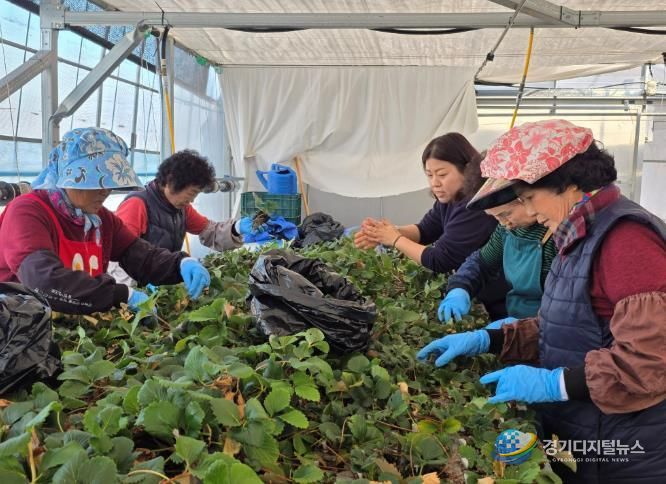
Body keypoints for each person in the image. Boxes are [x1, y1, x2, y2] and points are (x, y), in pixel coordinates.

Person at [418, 120, 666, 483]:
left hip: (627, 448)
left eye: (529, 198)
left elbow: (649, 361)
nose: (530, 212)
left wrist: (555, 384)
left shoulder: (626, 240)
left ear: (566, 182)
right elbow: (570, 324)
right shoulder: (577, 233)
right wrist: (492, 339)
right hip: (588, 430)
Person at [0, 127, 211, 314]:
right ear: (68, 177)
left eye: (109, 183)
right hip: (16, 325)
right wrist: (119, 295)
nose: (105, 191)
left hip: (70, 322)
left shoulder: (100, 220)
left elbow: (141, 256)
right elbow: (43, 281)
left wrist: (180, 263)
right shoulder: (27, 212)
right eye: (95, 182)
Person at [355, 132, 508, 319]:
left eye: (442, 174)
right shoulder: (449, 200)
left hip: (499, 299)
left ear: (467, 170)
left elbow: (440, 259)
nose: (435, 183)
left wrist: (395, 239)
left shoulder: (475, 208)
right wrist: (386, 233)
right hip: (474, 289)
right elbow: (425, 230)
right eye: (429, 175)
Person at [109, 150, 258, 286]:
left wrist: (236, 228)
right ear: (171, 182)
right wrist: (133, 292)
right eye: (192, 193)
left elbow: (209, 231)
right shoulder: (137, 204)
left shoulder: (182, 209)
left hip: (162, 280)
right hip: (137, 286)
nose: (192, 200)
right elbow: (119, 256)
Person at [440, 151, 557, 325]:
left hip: (545, 328)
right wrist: (460, 288)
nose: (504, 223)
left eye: (506, 214)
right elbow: (481, 263)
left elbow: (566, 308)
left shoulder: (556, 232)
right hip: (515, 323)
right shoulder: (507, 230)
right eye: (495, 217)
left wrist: (526, 326)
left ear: (524, 197)